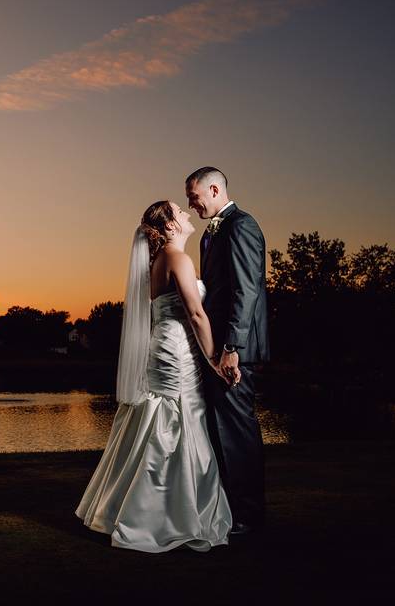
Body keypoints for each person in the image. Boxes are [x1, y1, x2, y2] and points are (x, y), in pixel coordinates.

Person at [75, 200, 233, 552]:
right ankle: (157, 516)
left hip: (165, 345)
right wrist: (215, 360)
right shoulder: (177, 258)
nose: (187, 213)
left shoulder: (158, 262)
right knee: (176, 420)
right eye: (180, 211)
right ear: (171, 227)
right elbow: (195, 313)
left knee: (159, 420)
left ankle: (130, 506)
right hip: (178, 350)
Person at [185, 166, 269, 535]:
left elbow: (246, 290)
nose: (191, 203)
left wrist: (232, 346)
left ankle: (249, 517)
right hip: (217, 347)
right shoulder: (214, 231)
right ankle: (228, 512)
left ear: (214, 189)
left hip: (236, 350)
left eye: (194, 195)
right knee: (220, 431)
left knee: (237, 432)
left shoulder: (241, 226)